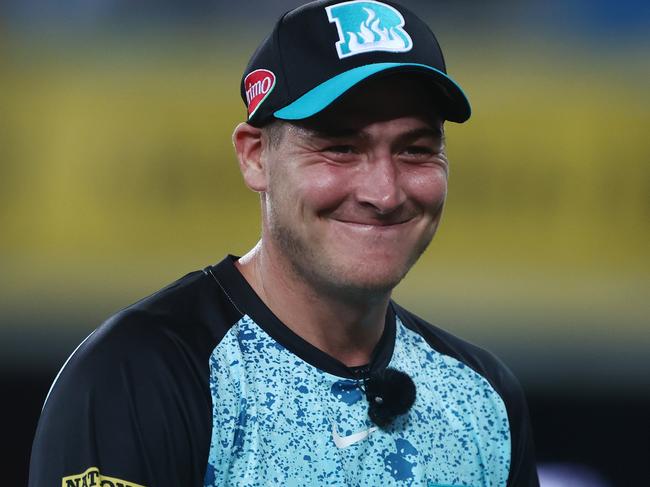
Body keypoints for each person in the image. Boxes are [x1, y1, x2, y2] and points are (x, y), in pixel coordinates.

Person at [29, 1, 539, 486]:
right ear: (254, 157)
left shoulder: (479, 398)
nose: (384, 192)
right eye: (339, 148)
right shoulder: (140, 376)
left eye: (416, 150)